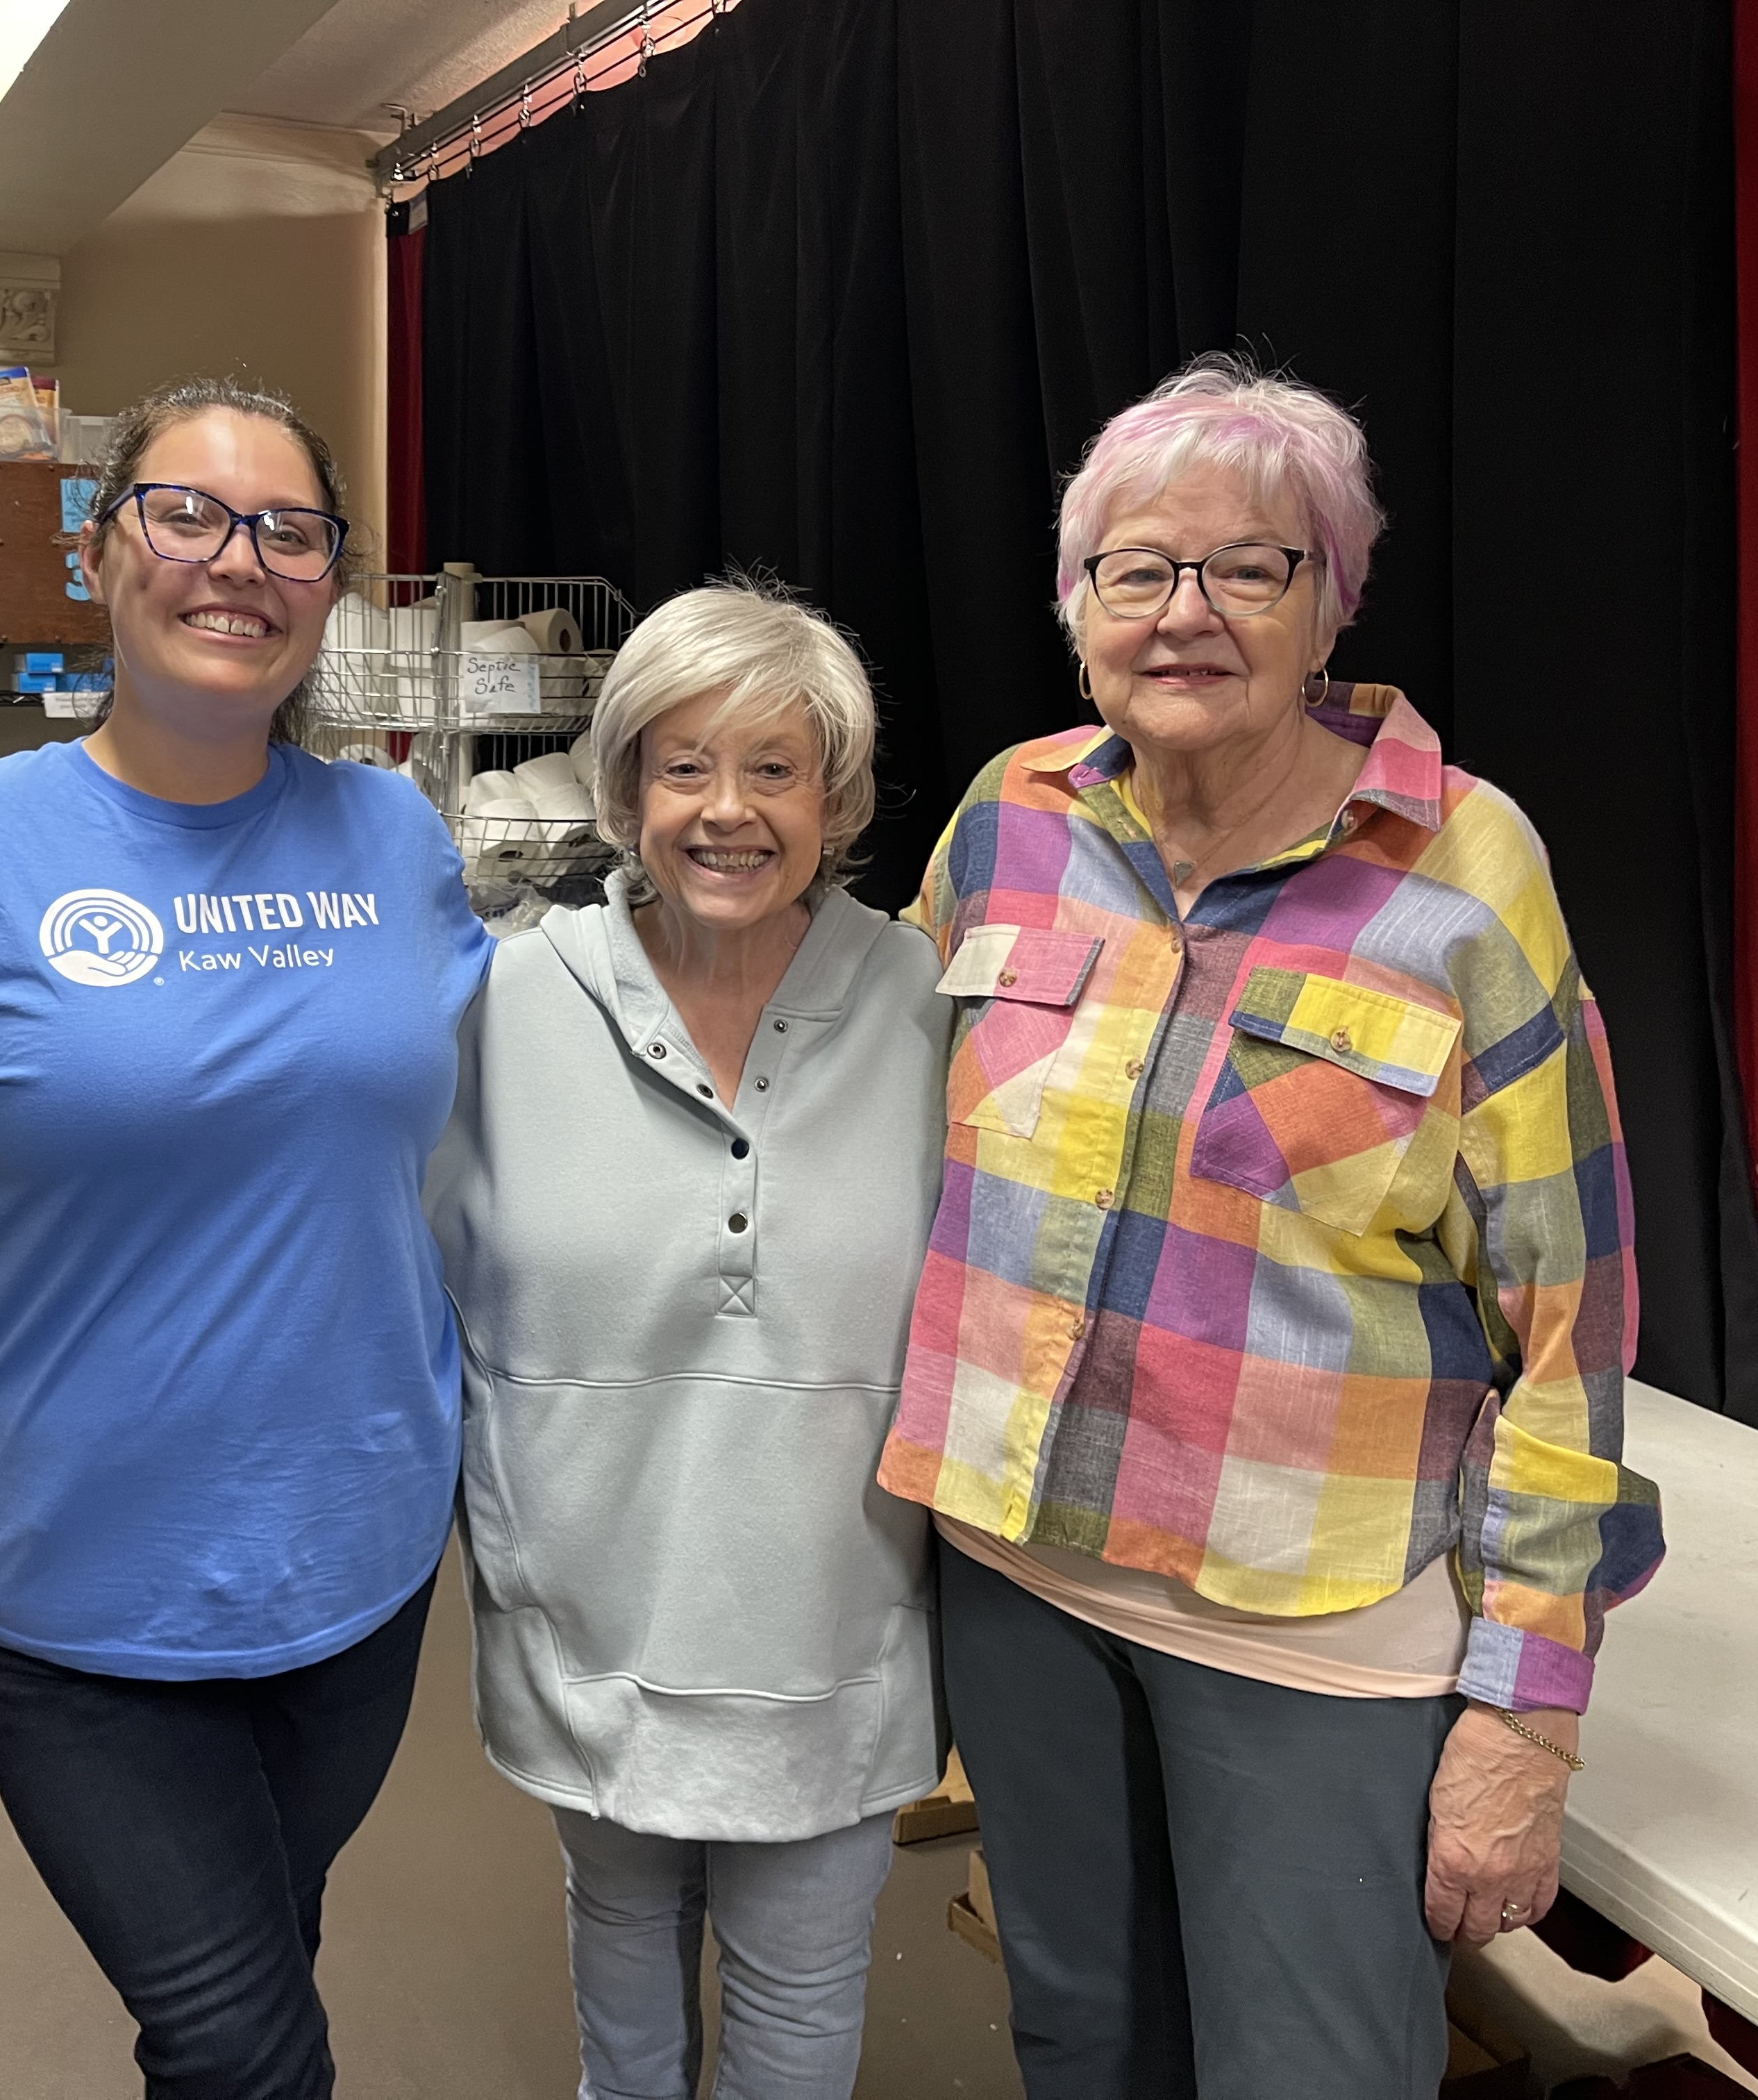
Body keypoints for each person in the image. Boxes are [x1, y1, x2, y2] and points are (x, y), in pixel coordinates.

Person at [875, 355, 1665, 2099]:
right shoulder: (1012, 817)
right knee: (1081, 2035)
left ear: (1332, 603)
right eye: (1137, 571)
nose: (1187, 613)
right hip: (1016, 1572)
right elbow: (877, 1141)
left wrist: (1528, 1705)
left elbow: (1570, 1320)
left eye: (1252, 566)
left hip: (1313, 1623)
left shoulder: (1464, 872)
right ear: (1077, 604)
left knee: (1307, 2067)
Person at [0, 378, 489, 2100]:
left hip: (359, 1560)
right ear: (101, 552)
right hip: (78, 1586)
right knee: (241, 2045)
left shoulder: (399, 839)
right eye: (186, 513)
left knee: (259, 1955)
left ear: (332, 577)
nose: (238, 561)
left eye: (288, 530)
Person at [427, 581, 946, 2100]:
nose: (727, 812)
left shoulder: (925, 1003)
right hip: (586, 1622)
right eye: (683, 766)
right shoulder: (506, 1002)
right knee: (625, 2008)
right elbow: (422, 1289)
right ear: (623, 788)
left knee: (798, 2027)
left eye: (775, 770)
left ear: (838, 797)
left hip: (836, 1636)